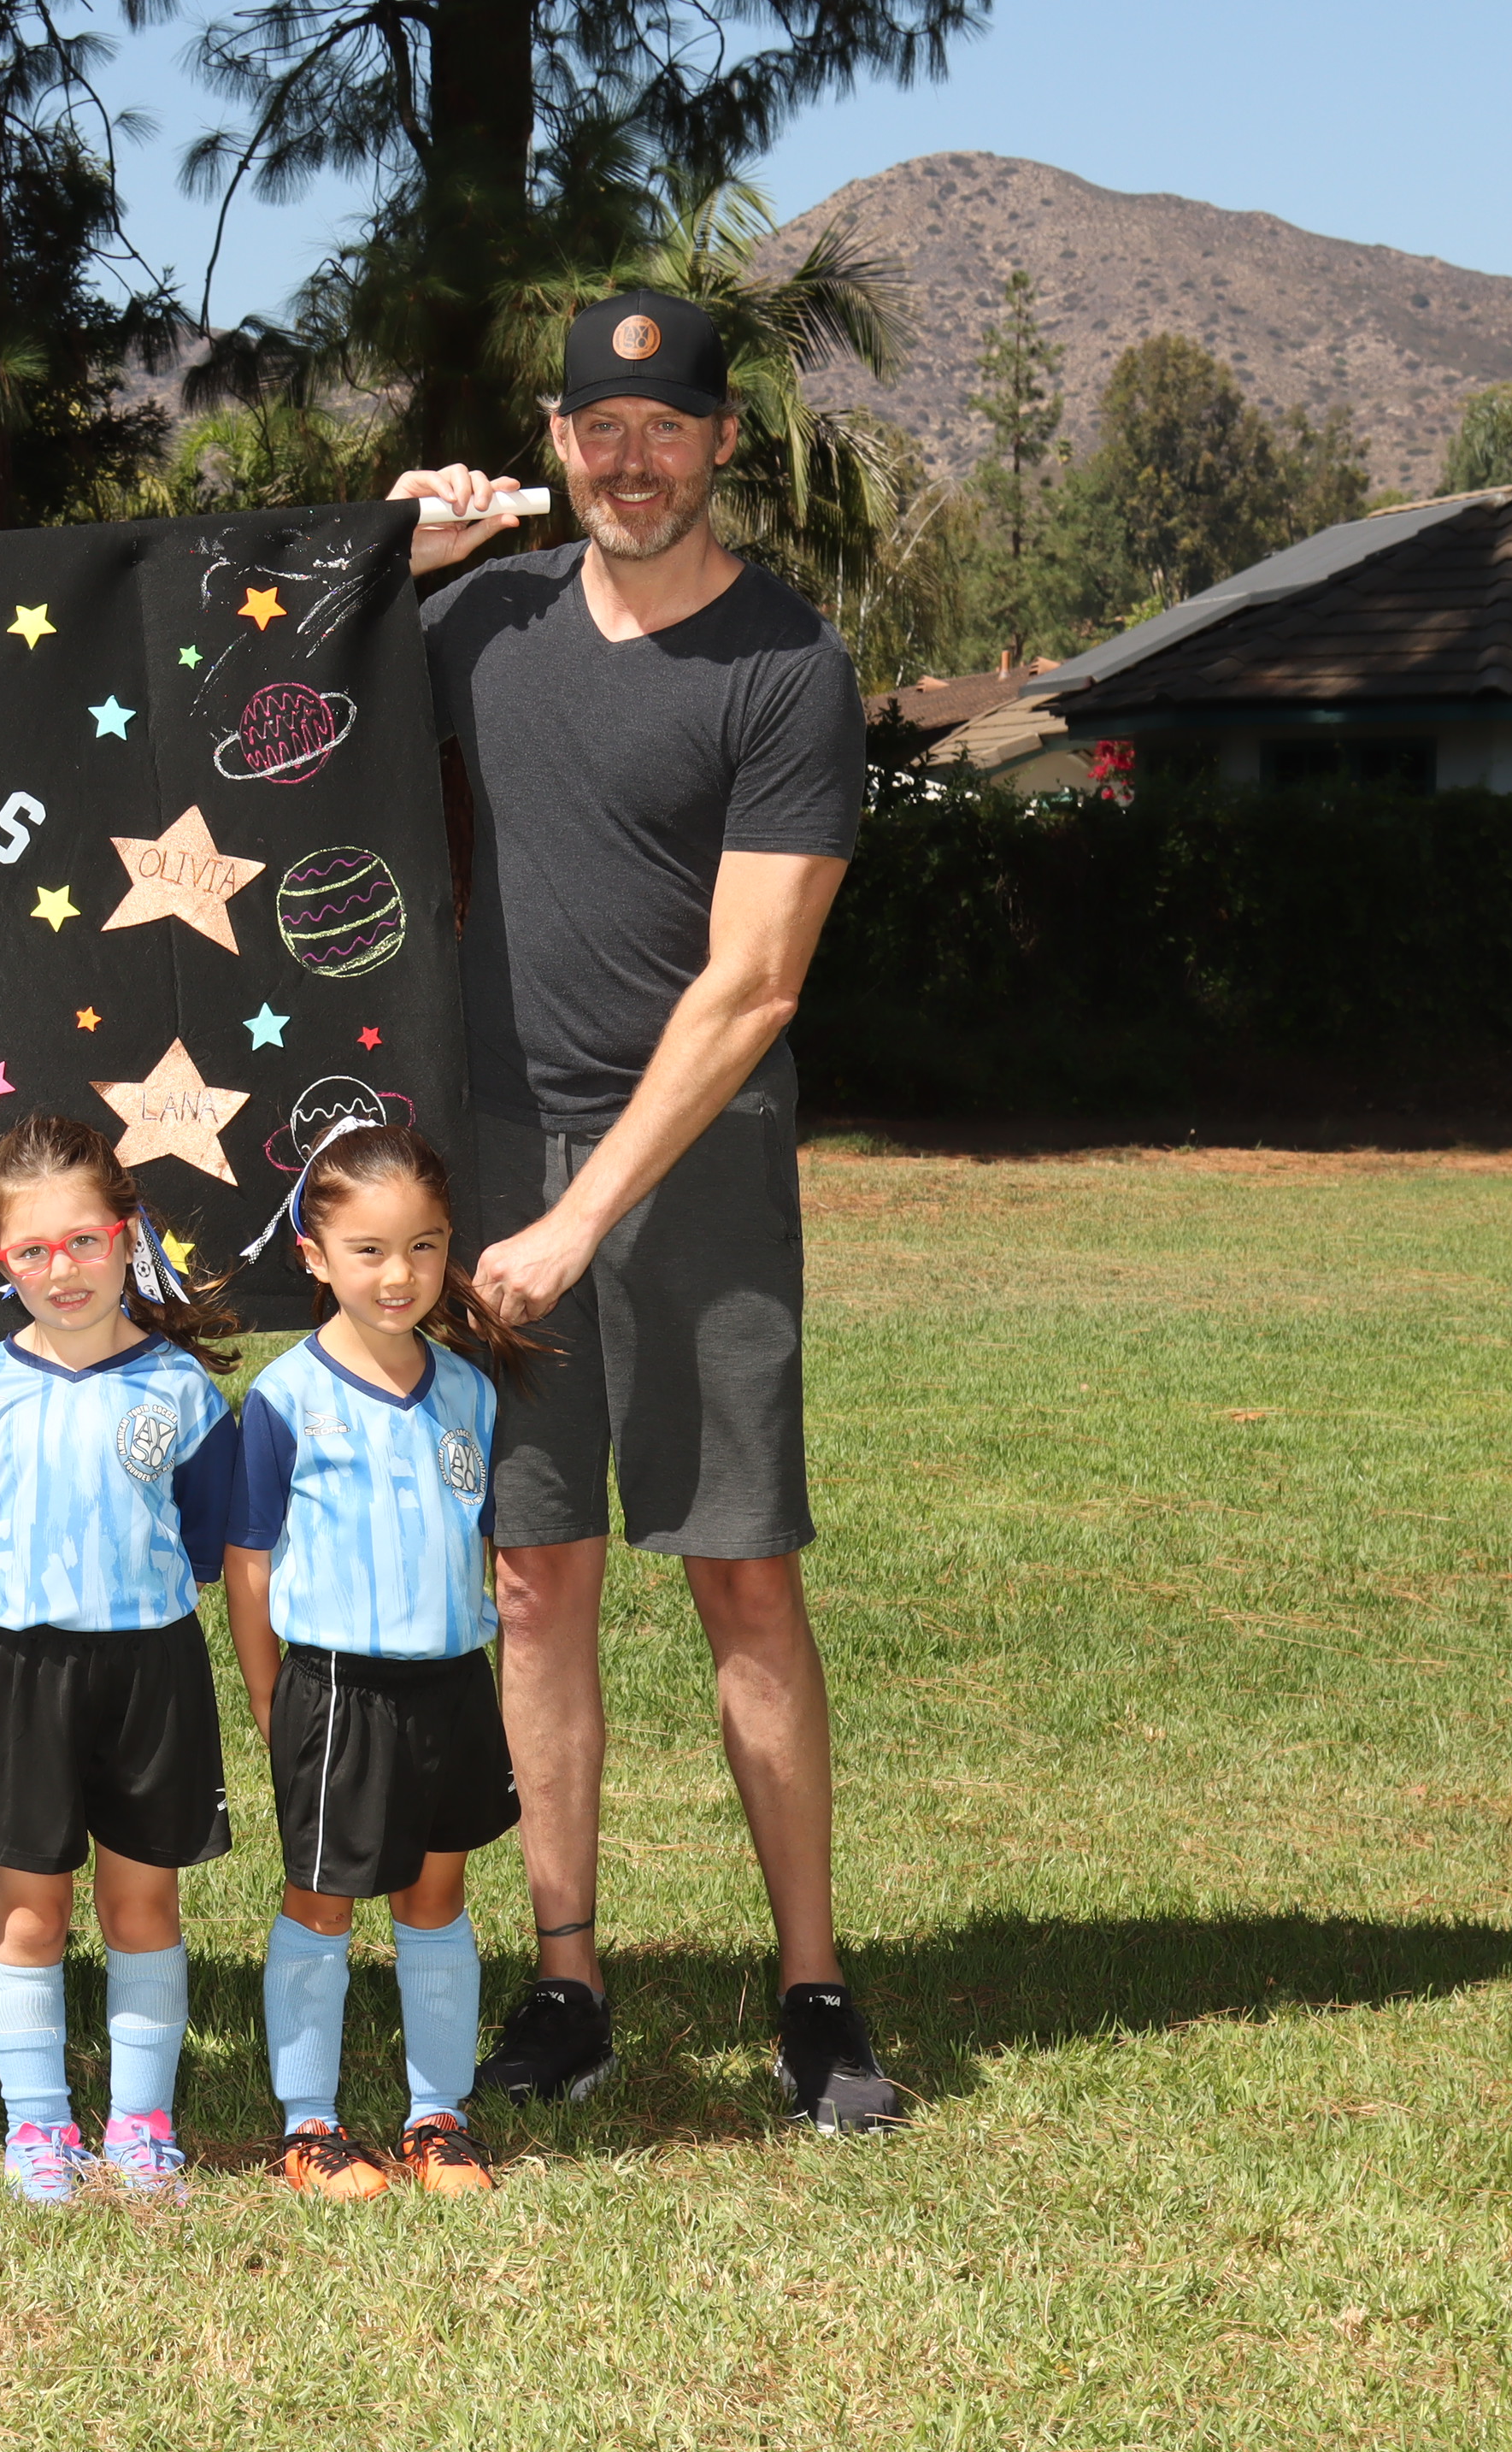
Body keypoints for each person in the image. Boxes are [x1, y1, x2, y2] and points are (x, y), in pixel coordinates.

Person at [396, 288, 903, 2132]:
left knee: (739, 1568)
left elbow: (753, 985)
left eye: (665, 429)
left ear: (722, 443)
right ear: (555, 441)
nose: (630, 461)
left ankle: (815, 1992)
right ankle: (569, 1981)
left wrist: (579, 1218)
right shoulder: (479, 624)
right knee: (533, 1580)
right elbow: (254, 705)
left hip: (694, 1161)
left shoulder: (787, 666)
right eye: (598, 431)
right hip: (496, 1145)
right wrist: (391, 558)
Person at [0, 1116, 242, 2205]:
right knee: (29, 1913)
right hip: (17, 1670)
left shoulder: (183, 1391)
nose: (63, 1270)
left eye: (85, 1241)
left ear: (126, 1234)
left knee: (142, 1906)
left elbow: (202, 1542)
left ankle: (143, 2122)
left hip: (149, 1673)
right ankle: (39, 2124)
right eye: (32, 1249)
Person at [220, 1121, 532, 2200]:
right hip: (337, 1689)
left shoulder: (470, 1392)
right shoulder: (285, 1396)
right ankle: (308, 2126)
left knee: (436, 1896)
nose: (399, 1274)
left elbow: (481, 1542)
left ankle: (438, 2118)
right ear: (314, 1254)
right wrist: (269, 1692)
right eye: (369, 1250)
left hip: (449, 1684)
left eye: (424, 1246)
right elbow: (248, 1561)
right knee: (323, 1902)